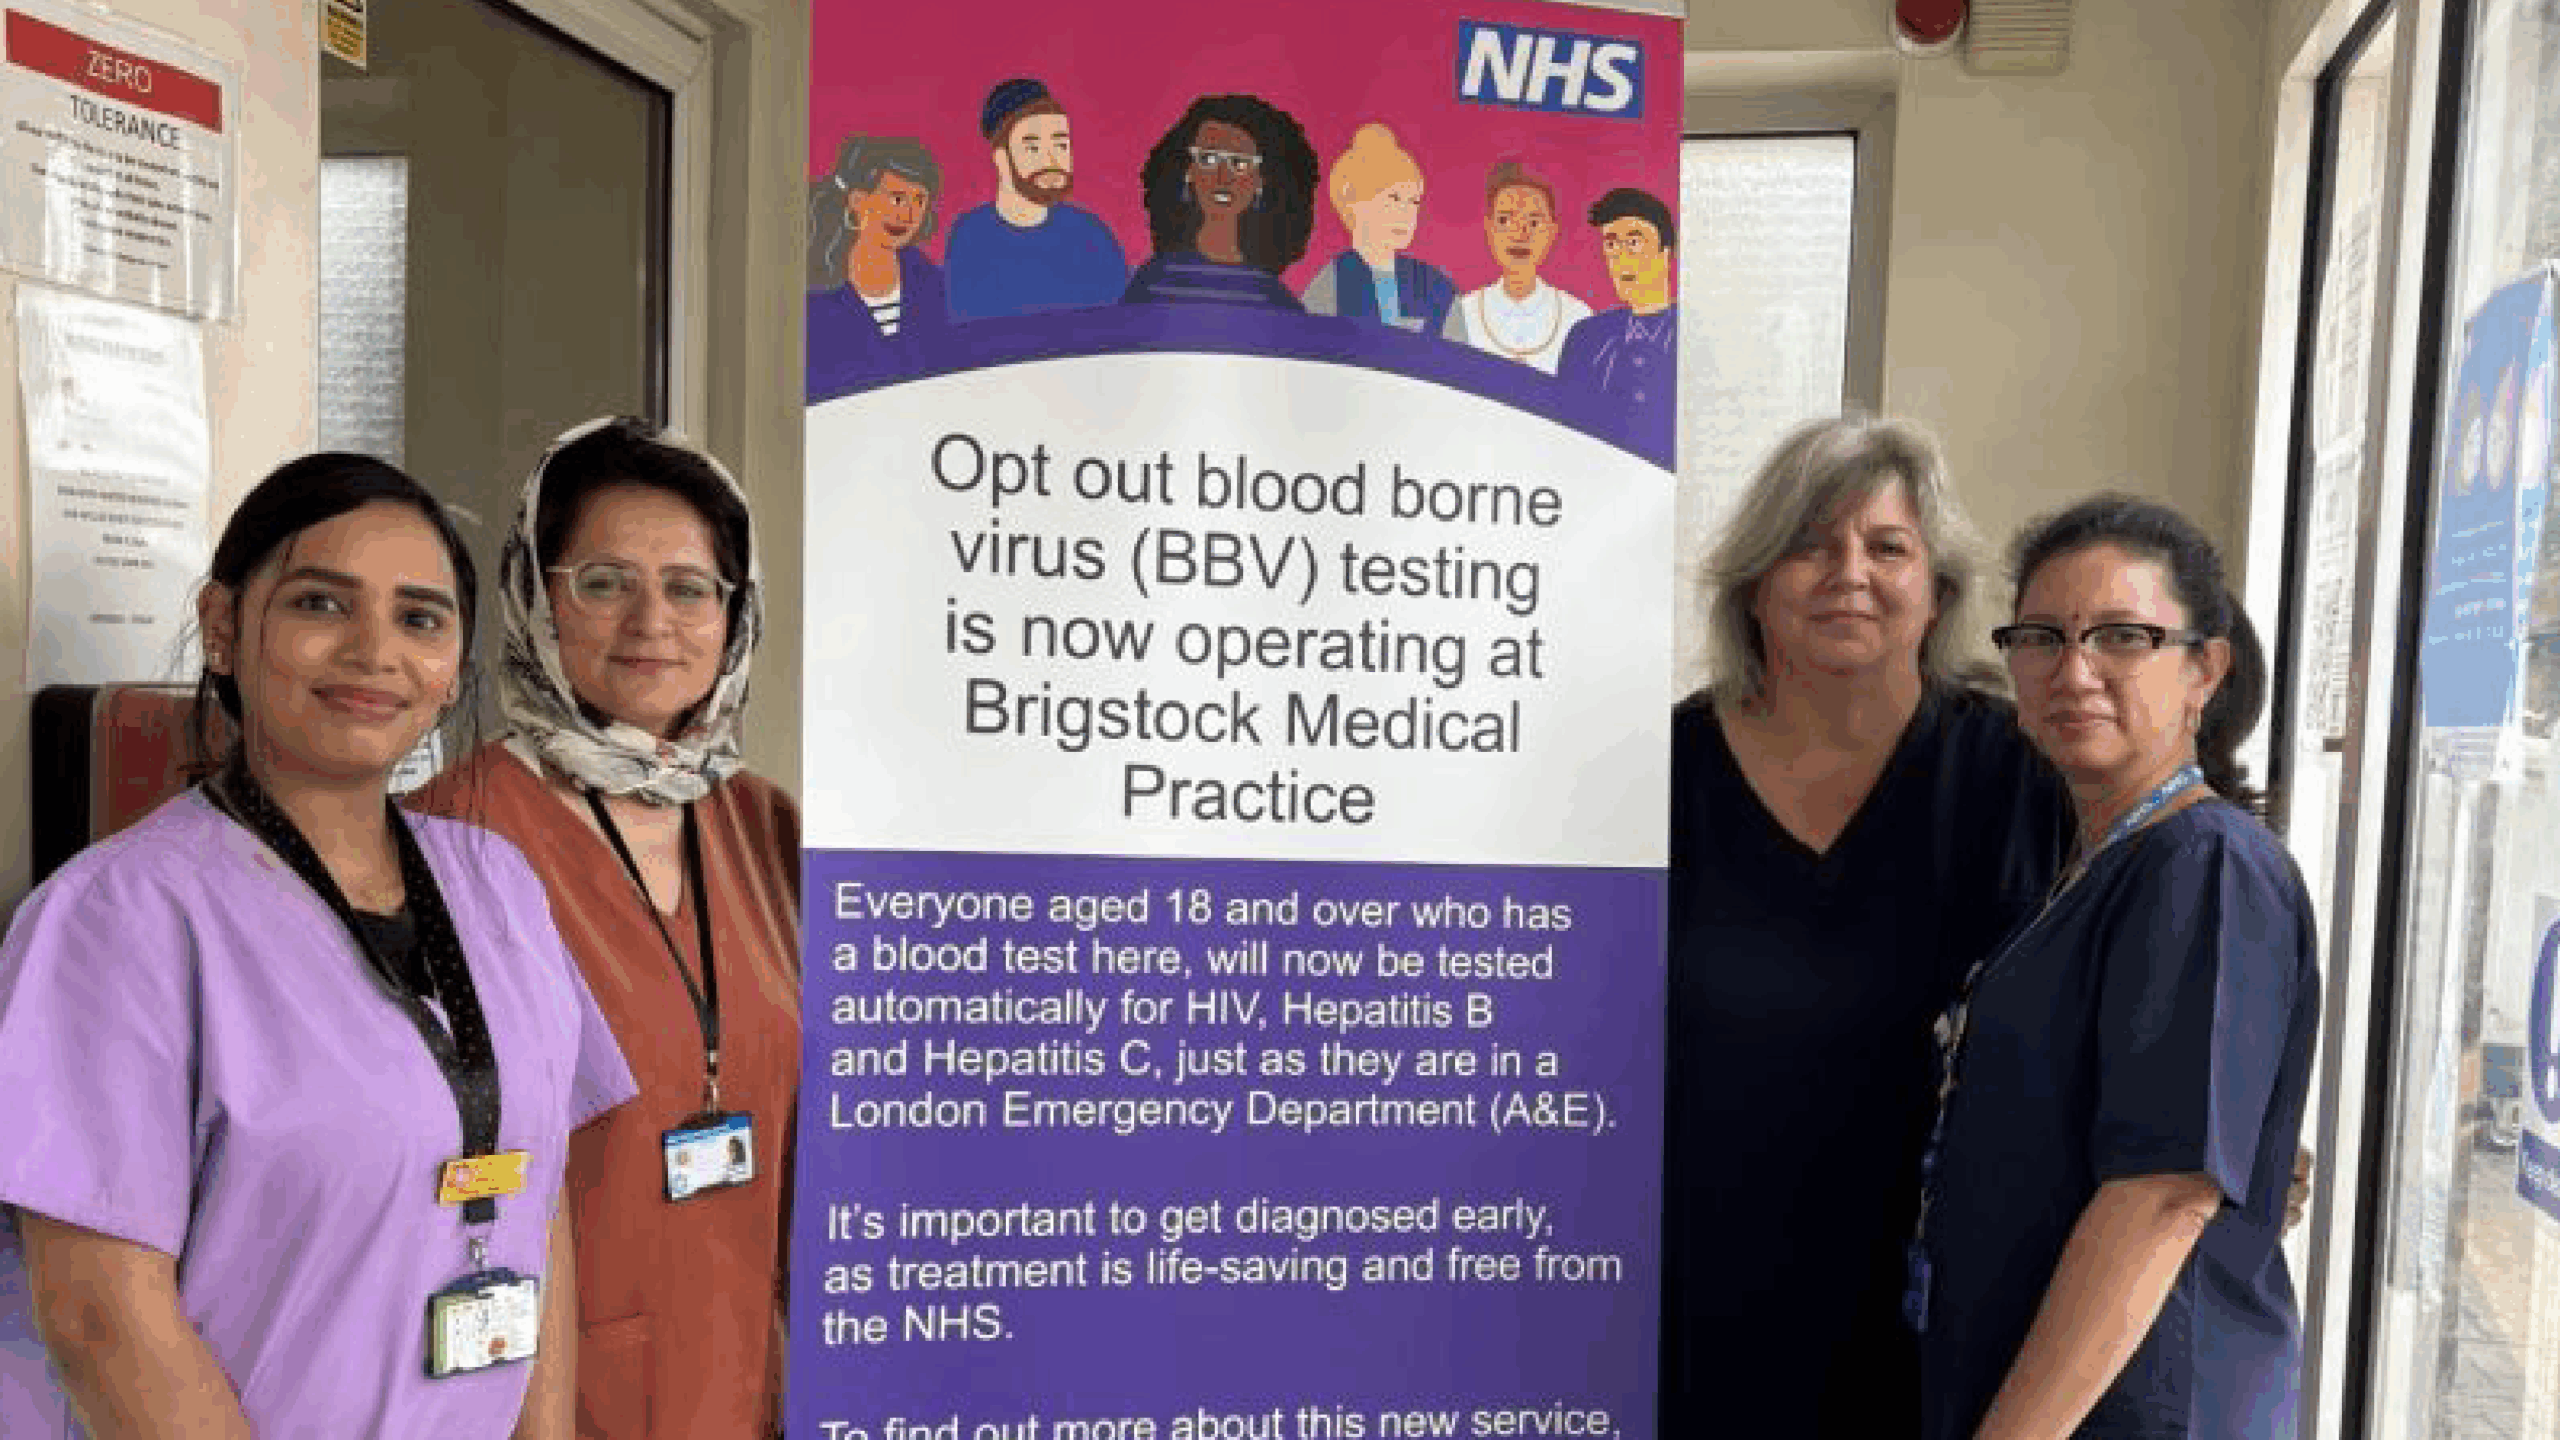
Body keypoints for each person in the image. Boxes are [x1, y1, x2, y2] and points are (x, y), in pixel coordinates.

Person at [0, 453, 634, 1436]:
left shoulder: (496, 886)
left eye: (419, 618)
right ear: (222, 628)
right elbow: (99, 1317)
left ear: (453, 666)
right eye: (320, 605)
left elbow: (531, 1188)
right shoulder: (118, 919)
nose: (375, 652)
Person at [1664, 417, 2073, 1438]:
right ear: (1755, 585)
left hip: (1946, 1318)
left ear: (1935, 589)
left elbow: (2122, 988)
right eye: (1809, 543)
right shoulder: (1660, 771)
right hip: (1693, 1310)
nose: (1847, 572)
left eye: (1886, 547)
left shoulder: (2020, 777)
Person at [410, 416, 800, 1440]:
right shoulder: (453, 835)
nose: (651, 621)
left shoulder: (769, 826)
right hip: (537, 1391)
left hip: (751, 1377)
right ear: (536, 595)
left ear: (735, 614)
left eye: (690, 588)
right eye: (603, 581)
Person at [1911, 496, 2319, 1439]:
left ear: (2203, 670)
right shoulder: (2094, 865)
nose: (2074, 670)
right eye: (2043, 636)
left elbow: (2165, 1195)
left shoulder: (2204, 866)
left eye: (2123, 637)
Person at [944, 77, 1129, 321]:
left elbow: (1119, 330)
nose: (1052, 161)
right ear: (1001, 159)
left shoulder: (1092, 237)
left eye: (1061, 146)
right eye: (1033, 149)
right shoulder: (970, 237)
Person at [1120, 94, 1318, 310]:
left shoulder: (1276, 301)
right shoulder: (1151, 285)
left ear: (1261, 180)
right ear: (1189, 172)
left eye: (1239, 163)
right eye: (1208, 160)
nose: (1223, 177)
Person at [806, 136, 948, 396]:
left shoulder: (934, 285)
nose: (908, 215)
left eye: (919, 201)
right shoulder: (814, 290)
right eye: (896, 198)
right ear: (858, 201)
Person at [1299, 122, 1456, 335]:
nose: (1406, 213)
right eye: (1394, 198)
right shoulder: (1334, 280)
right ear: (1354, 201)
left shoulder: (1434, 284)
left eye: (1414, 202)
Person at [1557, 187, 1676, 462]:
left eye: (1634, 243)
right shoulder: (1586, 339)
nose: (1621, 258)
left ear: (1665, 253)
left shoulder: (1691, 335)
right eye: (1611, 245)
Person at [1442, 161, 1591, 373]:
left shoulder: (1578, 317)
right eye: (1505, 220)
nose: (1520, 234)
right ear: (1489, 228)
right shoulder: (1463, 313)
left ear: (1552, 231)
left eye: (1533, 223)